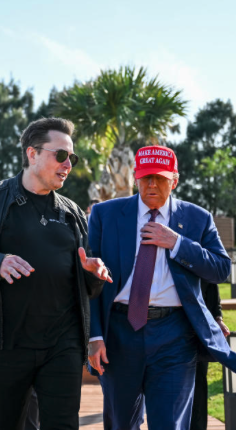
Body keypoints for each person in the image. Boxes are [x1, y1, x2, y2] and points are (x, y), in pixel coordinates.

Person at [0, 117, 112, 430]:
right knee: (7, 423)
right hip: (8, 343)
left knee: (63, 425)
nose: (68, 165)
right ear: (32, 154)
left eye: (72, 158)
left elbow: (86, 287)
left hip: (63, 344)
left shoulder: (73, 213)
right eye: (61, 155)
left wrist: (92, 274)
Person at [87, 145, 234, 430]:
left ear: (174, 180)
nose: (151, 184)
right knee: (120, 424)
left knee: (170, 424)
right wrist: (94, 334)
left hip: (175, 337)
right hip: (119, 332)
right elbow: (89, 282)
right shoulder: (105, 214)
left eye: (160, 177)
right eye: (145, 177)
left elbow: (221, 269)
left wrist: (177, 243)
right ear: (134, 178)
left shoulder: (197, 218)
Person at [190, 281, 230, 430]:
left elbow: (211, 283)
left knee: (198, 386)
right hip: (166, 328)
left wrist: (218, 318)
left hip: (199, 330)